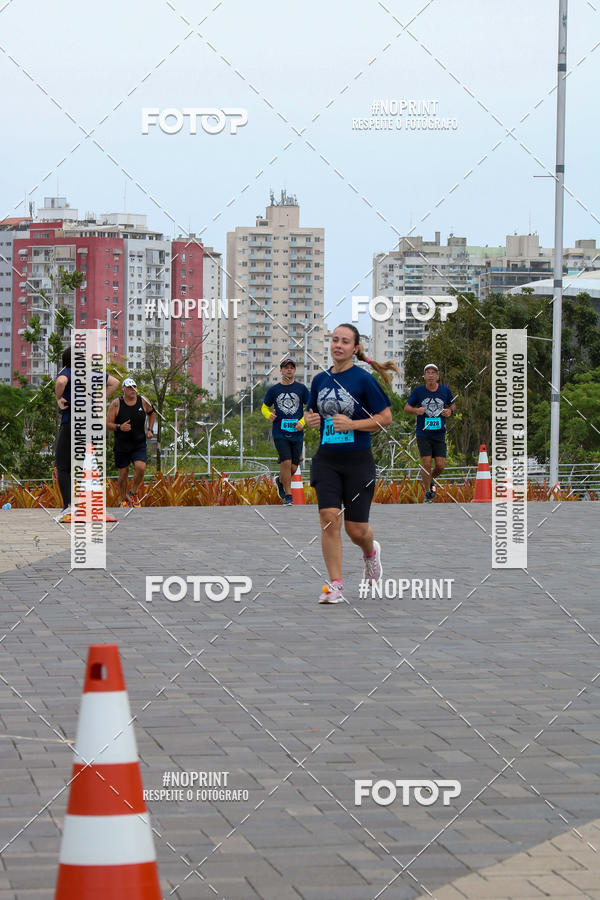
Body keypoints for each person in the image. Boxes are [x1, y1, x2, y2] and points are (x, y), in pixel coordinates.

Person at [304, 324, 400, 604]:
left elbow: (385, 418)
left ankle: (371, 553)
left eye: (345, 341)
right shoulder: (320, 380)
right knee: (328, 518)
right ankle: (335, 585)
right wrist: (308, 420)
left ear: (355, 348)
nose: (338, 345)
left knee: (355, 530)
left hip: (358, 461)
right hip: (327, 460)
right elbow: (312, 413)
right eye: (335, 340)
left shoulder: (363, 379)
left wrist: (353, 423)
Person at [54, 346, 119, 523]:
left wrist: (59, 398)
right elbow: (114, 382)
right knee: (84, 464)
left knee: (63, 466)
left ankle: (69, 506)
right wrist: (101, 398)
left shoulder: (68, 371)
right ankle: (88, 506)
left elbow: (60, 382)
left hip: (72, 422)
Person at [405, 363, 456, 502]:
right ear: (424, 376)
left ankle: (429, 479)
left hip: (439, 434)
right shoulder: (418, 391)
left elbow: (453, 405)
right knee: (426, 462)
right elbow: (407, 407)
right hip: (423, 433)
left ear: (438, 376)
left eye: (433, 373)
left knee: (440, 465)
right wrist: (416, 410)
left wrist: (450, 411)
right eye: (428, 373)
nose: (431, 375)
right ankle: (428, 492)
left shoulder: (445, 390)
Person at [262, 359, 310, 506]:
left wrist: (302, 423)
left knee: (293, 467)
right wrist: (268, 415)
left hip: (297, 433)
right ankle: (288, 496)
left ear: (294, 371)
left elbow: (310, 408)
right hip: (279, 432)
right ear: (281, 371)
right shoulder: (274, 390)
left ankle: (280, 481)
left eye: (292, 368)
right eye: (286, 368)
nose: (289, 370)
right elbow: (264, 407)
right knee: (286, 461)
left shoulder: (301, 389)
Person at [107, 376, 155, 508]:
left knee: (141, 468)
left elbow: (152, 413)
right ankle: (124, 499)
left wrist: (150, 429)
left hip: (138, 443)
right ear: (123, 389)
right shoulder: (116, 404)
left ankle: (133, 493)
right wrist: (119, 427)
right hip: (122, 444)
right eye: (129, 387)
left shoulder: (143, 401)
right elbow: (108, 424)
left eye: (134, 387)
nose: (132, 390)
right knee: (123, 473)